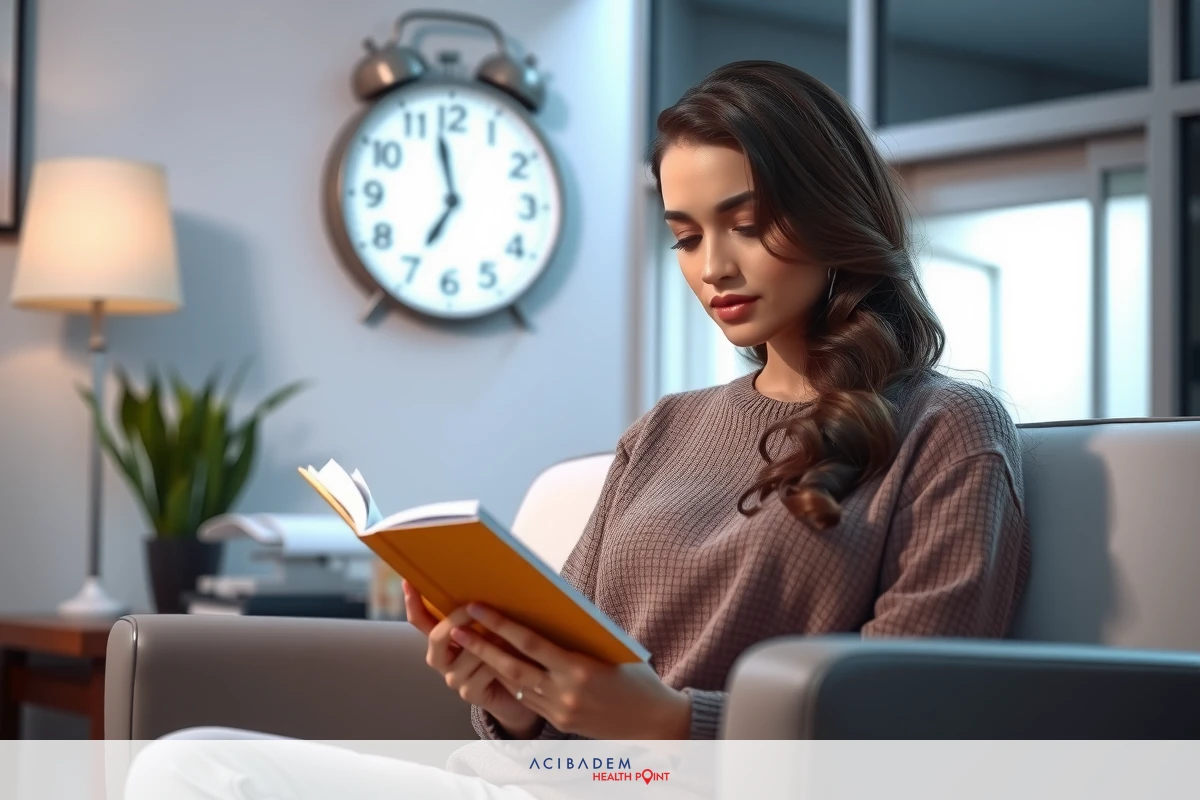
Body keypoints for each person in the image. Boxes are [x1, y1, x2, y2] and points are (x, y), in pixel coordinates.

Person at [122, 60, 1031, 798]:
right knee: (193, 764)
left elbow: (909, 726)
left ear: (834, 213)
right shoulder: (665, 429)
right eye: (685, 237)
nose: (713, 267)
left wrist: (672, 726)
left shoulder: (946, 427)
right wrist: (514, 696)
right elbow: (572, 676)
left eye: (747, 224)